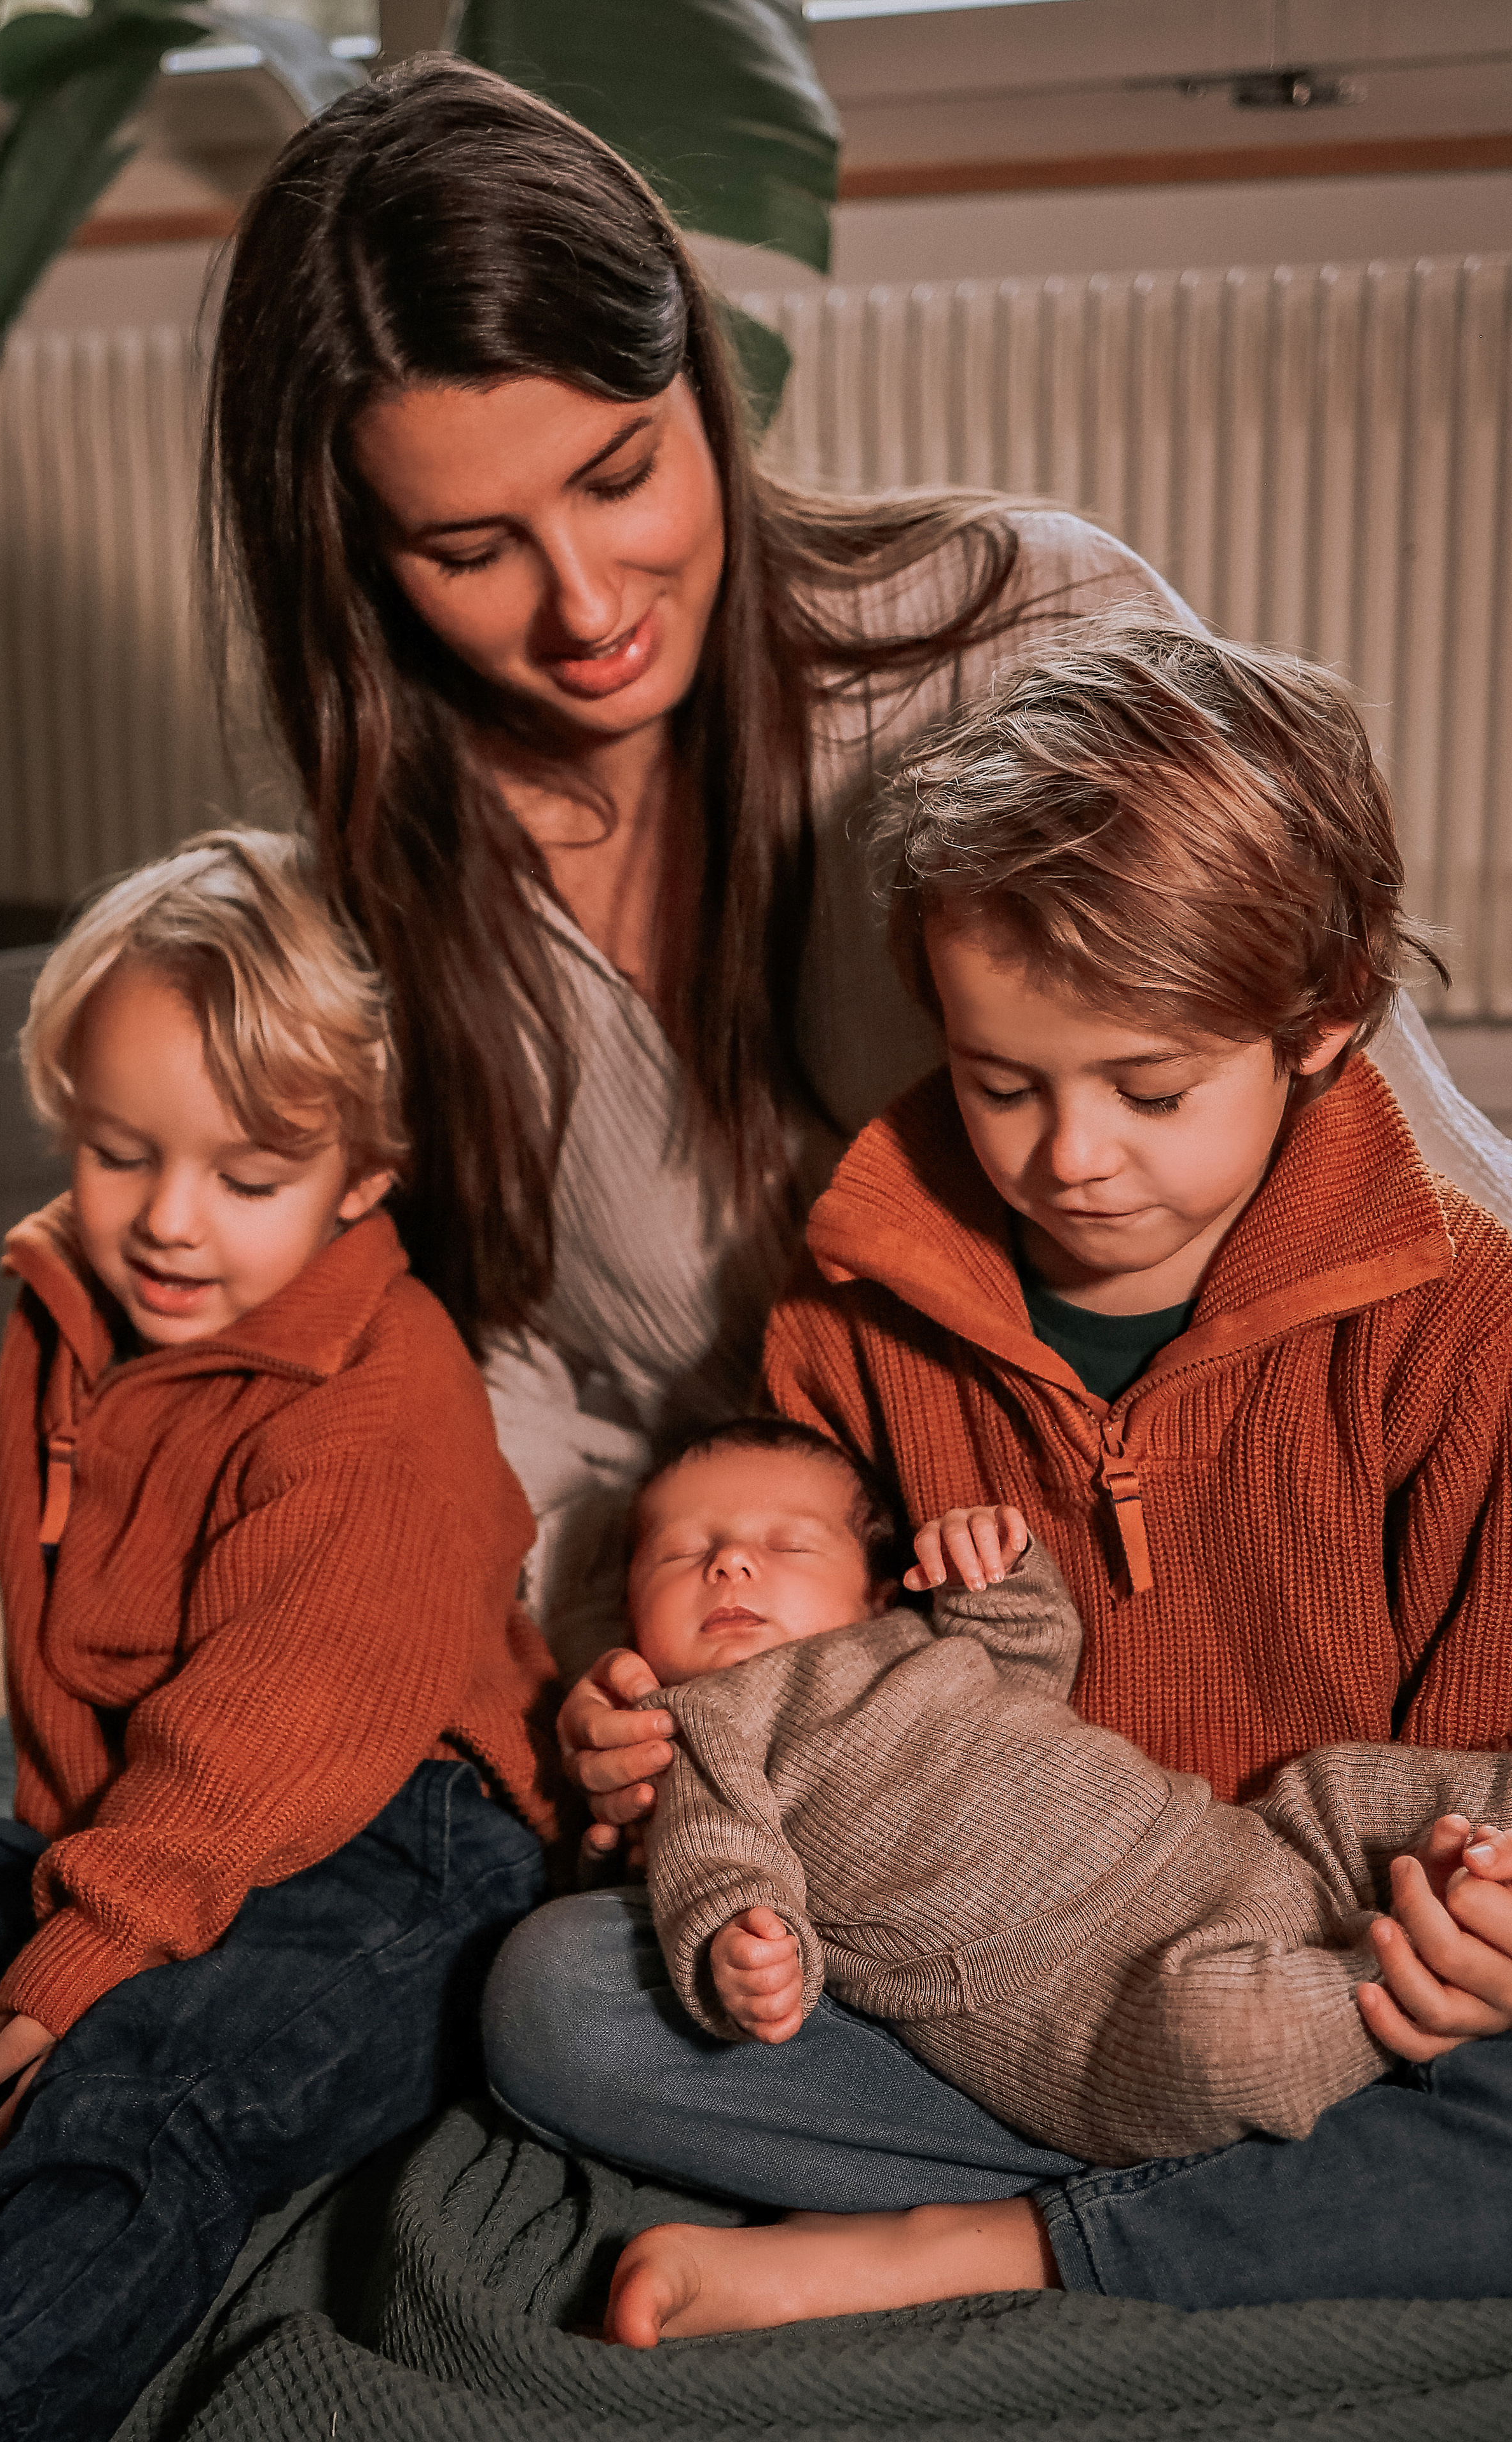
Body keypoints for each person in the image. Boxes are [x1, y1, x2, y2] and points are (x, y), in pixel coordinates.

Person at [204, 53, 1512, 1690]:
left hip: (1208, 1666)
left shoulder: (1021, 632)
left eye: (621, 477)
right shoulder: (393, 898)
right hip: (760, 1692)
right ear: (357, 564)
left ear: (700, 384)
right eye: (469, 552)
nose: (585, 606)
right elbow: (530, 1383)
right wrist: (599, 1662)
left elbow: (1421, 1202)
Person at [486, 626, 1512, 2315]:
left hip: (1326, 1951)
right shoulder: (850, 1323)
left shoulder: (1461, 1326)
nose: (1073, 1156)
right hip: (1009, 1976)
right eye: (1000, 1084)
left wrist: (1476, 1943)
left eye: (1153, 1088)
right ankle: (1261, 2207)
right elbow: (789, 1719)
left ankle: (1006, 2241)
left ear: (1322, 1027)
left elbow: (1481, 1783)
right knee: (563, 2001)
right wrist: (650, 1764)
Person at [0, 832, 554, 2442]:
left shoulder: (379, 1402)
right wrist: (67, 1884)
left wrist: (95, 1943)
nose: (172, 1222)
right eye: (123, 1154)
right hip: (145, 1832)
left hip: (404, 1845)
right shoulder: (63, 1313)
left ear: (360, 1181)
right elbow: (71, 1690)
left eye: (250, 1181)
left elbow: (285, 1721)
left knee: (150, 2077)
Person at [598, 1416, 1512, 2342]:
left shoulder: (915, 1636)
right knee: (1233, 2040)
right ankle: (1409, 1970)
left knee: (1348, 1786)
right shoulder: (700, 1724)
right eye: (679, 1554)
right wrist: (743, 1939)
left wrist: (995, 1565)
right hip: (1086, 2002)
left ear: (875, 1589)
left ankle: (1485, 1860)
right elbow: (713, 1857)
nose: (728, 1566)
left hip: (1219, 1842)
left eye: (785, 1543)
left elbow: (1038, 1651)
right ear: (627, 1617)